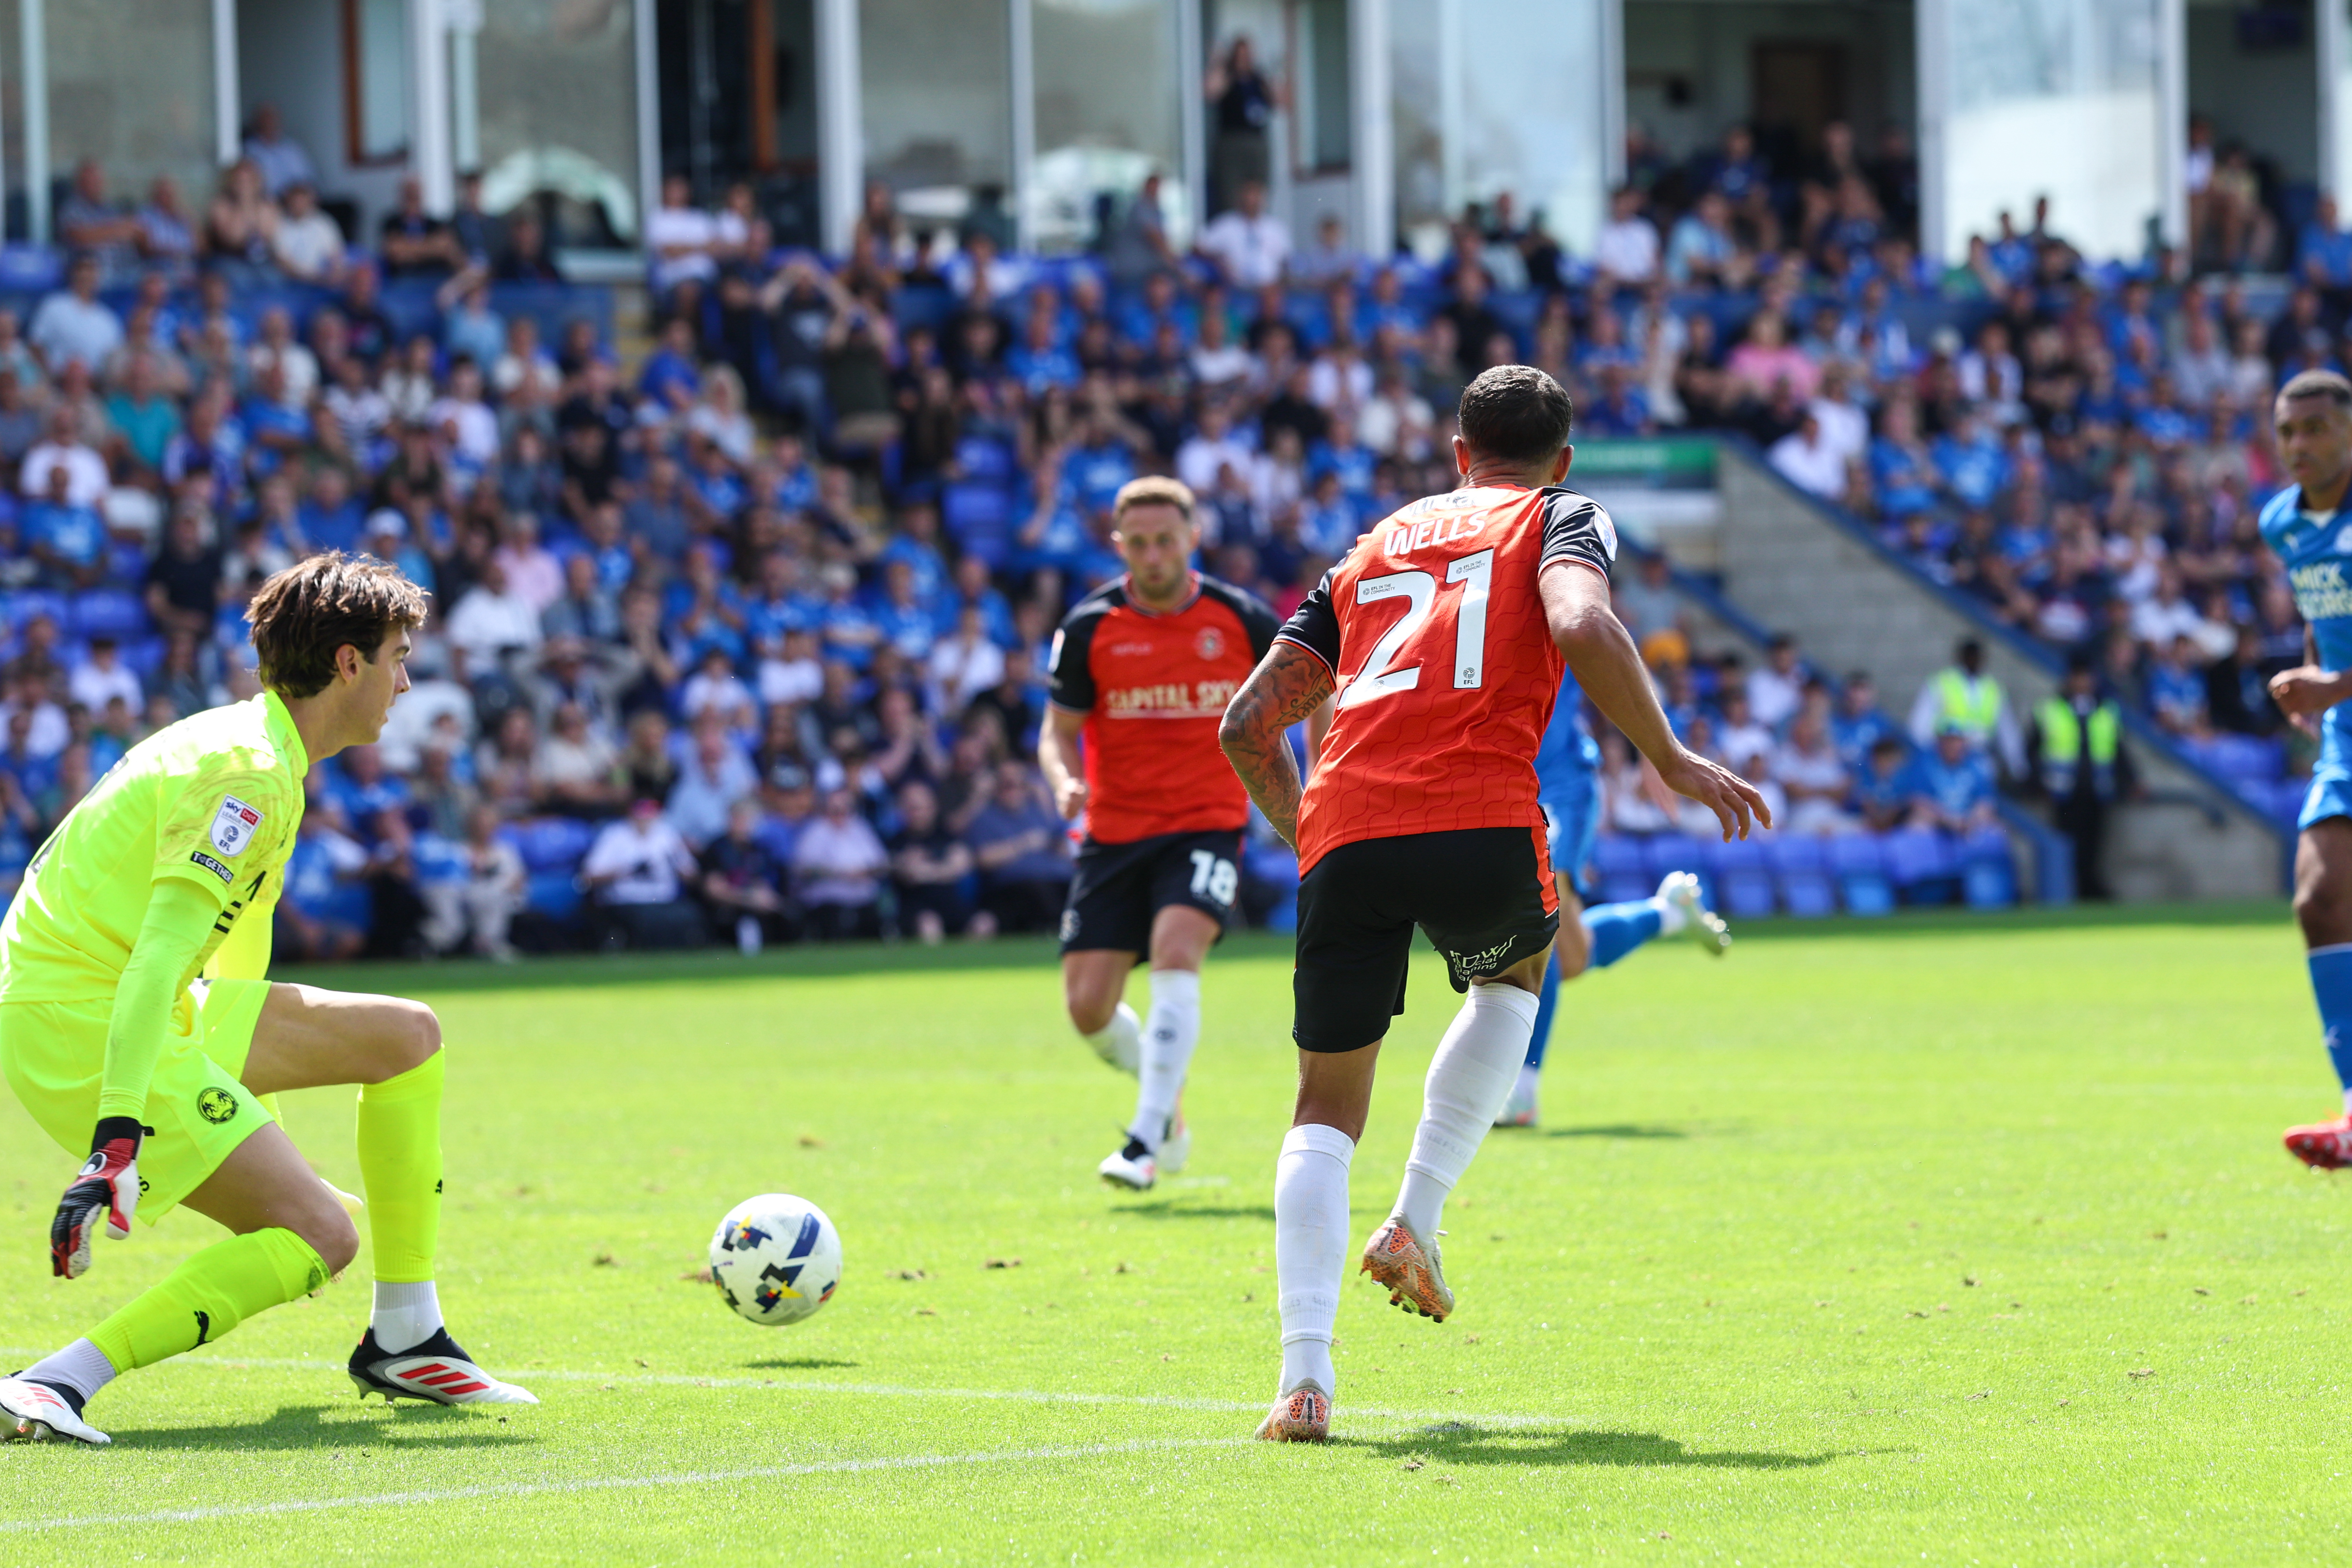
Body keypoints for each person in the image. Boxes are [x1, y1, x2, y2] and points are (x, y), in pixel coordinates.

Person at [1217, 364, 1765, 1442]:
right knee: (1518, 980)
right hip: (1478, 812)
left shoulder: (1373, 543)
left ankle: (1301, 1382)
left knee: (1322, 1111)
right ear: (1558, 459)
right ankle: (1415, 1219)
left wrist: (1308, 833)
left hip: (1349, 826)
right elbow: (1580, 623)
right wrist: (1665, 757)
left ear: (1456, 452)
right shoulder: (1560, 514)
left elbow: (1246, 723)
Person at [0, 553, 534, 1448]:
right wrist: (117, 1135)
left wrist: (260, 1121)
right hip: (84, 1024)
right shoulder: (245, 774)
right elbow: (158, 961)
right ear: (348, 664)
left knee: (406, 1036)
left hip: (118, 1000)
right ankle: (56, 1381)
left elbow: (232, 950)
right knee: (319, 1237)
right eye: (398, 658)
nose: (407, 682)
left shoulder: (264, 750)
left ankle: (406, 1335)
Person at [1039, 476, 1279, 1191]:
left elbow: (1318, 689)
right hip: (1112, 833)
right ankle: (1165, 1108)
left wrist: (1320, 774)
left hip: (1206, 825)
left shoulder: (1241, 619)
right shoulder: (1089, 627)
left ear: (1192, 538)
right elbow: (1057, 734)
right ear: (1120, 546)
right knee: (1086, 1008)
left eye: (1164, 540)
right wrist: (1061, 782)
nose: (1151, 555)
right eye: (1137, 543)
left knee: (1177, 951)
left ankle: (1143, 1141)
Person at [1491, 664, 1734, 1129]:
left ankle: (1523, 1090)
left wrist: (1656, 747)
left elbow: (1609, 648)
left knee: (1539, 932)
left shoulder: (1546, 593)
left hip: (1558, 788)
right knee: (1574, 954)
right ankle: (1667, 913)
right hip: (1498, 788)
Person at [2256, 371, 2352, 1167]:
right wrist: (2315, 685)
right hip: (2348, 737)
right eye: (2288, 432)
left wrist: (2332, 685)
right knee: (2319, 900)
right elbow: (2331, 617)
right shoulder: (2283, 524)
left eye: (2316, 429)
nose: (2300, 446)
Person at [2030, 654, 2134, 901]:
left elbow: (2118, 749)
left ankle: (2089, 887)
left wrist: (2129, 780)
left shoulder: (2106, 710)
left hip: (2097, 788)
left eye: (2087, 677)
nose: (2083, 682)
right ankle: (2070, 888)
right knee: (2068, 842)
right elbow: (2032, 750)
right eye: (2078, 677)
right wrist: (2036, 783)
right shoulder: (2050, 709)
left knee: (2094, 844)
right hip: (2063, 789)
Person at [1908, 636, 2024, 778]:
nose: (1973, 660)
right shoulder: (1942, 682)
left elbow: (2008, 730)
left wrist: (2017, 766)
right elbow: (1919, 724)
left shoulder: (1993, 689)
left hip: (1980, 755)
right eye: (1970, 656)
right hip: (1946, 754)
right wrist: (1929, 754)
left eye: (1977, 657)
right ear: (1961, 657)